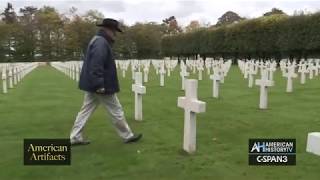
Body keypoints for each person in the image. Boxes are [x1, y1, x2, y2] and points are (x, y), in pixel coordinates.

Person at [70, 18, 142, 145]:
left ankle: (75, 137)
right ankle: (127, 136)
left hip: (93, 84)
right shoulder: (101, 43)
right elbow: (96, 64)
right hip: (101, 85)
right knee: (116, 110)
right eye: (114, 31)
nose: (115, 34)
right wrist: (99, 84)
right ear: (108, 30)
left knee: (85, 111)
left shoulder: (98, 40)